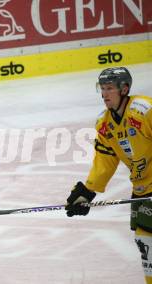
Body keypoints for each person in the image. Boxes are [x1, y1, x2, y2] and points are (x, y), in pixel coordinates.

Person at [65, 67, 152, 283]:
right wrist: (87, 192)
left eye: (110, 89)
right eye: (102, 89)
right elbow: (105, 161)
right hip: (142, 189)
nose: (104, 94)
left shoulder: (144, 110)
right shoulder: (104, 124)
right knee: (146, 246)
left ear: (124, 89)